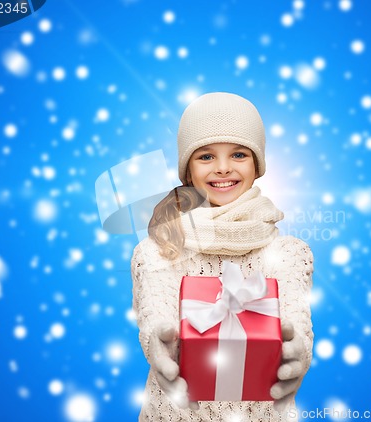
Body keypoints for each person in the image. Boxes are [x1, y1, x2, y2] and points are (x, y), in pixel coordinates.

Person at [131, 92, 314, 421]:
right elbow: (155, 315)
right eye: (206, 157)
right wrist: (159, 344)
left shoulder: (289, 253)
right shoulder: (157, 250)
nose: (223, 168)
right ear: (187, 170)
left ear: (257, 165)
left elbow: (296, 325)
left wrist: (297, 353)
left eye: (239, 154)